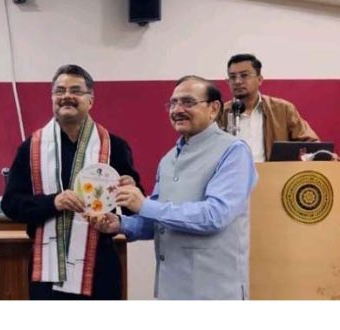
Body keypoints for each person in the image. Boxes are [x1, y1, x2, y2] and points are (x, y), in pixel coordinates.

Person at [95, 75, 257, 299]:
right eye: (172, 103)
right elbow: (161, 223)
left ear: (214, 109)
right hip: (169, 289)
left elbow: (215, 215)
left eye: (188, 102)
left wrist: (144, 205)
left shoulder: (233, 151)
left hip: (213, 291)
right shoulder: (169, 159)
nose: (177, 109)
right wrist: (121, 224)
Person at [0, 64, 142, 300]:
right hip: (47, 270)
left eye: (76, 90)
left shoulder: (113, 146)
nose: (67, 96)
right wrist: (53, 202)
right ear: (53, 98)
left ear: (90, 100)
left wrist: (131, 190)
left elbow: (132, 209)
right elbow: (11, 205)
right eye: (60, 91)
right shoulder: (31, 147)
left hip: (99, 267)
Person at [219, 53, 319, 162]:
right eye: (232, 77)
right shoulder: (219, 114)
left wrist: (323, 155)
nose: (237, 81)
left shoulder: (283, 110)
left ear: (260, 79)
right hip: (233, 176)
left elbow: (311, 144)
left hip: (273, 175)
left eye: (244, 75)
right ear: (228, 82)